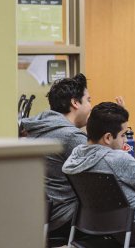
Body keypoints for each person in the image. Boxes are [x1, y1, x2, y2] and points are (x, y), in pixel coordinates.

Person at [63, 102, 135, 244]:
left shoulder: (76, 157)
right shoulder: (118, 158)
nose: (125, 140)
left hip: (114, 230)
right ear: (108, 138)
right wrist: (132, 165)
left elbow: (112, 171)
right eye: (123, 135)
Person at [21, 73, 92, 238]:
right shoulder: (72, 137)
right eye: (88, 100)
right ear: (75, 103)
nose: (90, 106)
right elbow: (105, 174)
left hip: (41, 216)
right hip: (64, 218)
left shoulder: (36, 128)